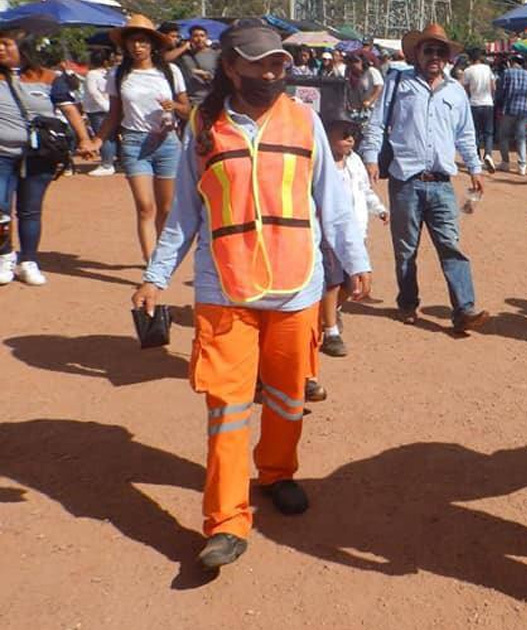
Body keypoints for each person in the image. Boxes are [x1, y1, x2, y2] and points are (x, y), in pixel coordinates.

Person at [130, 20, 371, 570]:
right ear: (231, 68)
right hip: (225, 291)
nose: (272, 72)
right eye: (260, 63)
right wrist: (156, 274)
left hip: (295, 289)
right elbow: (186, 213)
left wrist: (356, 261)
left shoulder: (305, 119)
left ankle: (278, 472)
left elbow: (331, 202)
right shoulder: (205, 124)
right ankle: (226, 523)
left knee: (288, 398)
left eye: (279, 63)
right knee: (227, 409)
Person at [361, 23, 490, 334]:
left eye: (440, 51)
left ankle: (464, 309)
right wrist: (370, 159)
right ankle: (407, 302)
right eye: (428, 50)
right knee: (406, 249)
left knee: (450, 245)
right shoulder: (397, 83)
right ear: (416, 54)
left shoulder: (456, 92)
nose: (434, 56)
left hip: (441, 182)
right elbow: (377, 124)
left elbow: (466, 134)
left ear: (447, 58)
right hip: (405, 180)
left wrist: (474, 167)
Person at [0, 29, 99, 286]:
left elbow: (70, 109)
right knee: (0, 208)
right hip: (2, 156)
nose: (0, 49)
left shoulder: (50, 78)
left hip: (40, 155)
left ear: (23, 49)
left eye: (5, 44)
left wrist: (85, 139)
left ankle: (28, 260)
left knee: (30, 210)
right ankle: (4, 255)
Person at [97, 14, 189, 264]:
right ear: (125, 45)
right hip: (134, 143)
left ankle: (161, 259)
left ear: (152, 44)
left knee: (167, 209)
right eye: (132, 41)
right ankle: (151, 264)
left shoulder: (170, 72)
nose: (137, 46)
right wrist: (96, 141)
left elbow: (187, 109)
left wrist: (175, 107)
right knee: (145, 207)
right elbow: (114, 114)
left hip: (168, 142)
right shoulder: (118, 75)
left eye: (142, 41)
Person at [317, 113, 387, 358]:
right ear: (327, 136)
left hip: (355, 231)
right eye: (343, 135)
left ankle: (327, 311)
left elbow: (365, 190)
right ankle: (331, 332)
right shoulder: (319, 162)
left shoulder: (355, 162)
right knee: (332, 281)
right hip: (327, 232)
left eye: (352, 136)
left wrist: (379, 209)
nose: (349, 140)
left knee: (350, 283)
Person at [494, 53, 527, 175]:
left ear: (512, 61)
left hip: (508, 109)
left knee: (504, 136)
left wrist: (498, 104)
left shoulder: (507, 73)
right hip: (523, 110)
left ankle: (505, 162)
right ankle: (522, 165)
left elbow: (501, 91)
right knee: (521, 138)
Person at [83, 48, 118, 176]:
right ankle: (114, 161)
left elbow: (93, 92)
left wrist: (106, 107)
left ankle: (107, 164)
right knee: (111, 137)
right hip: (108, 108)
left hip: (97, 110)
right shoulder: (110, 73)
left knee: (103, 136)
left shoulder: (92, 74)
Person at [462, 48, 496, 172]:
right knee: (488, 132)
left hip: (474, 104)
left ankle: (477, 158)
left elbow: (464, 88)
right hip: (488, 103)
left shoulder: (467, 71)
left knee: (474, 132)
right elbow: (493, 86)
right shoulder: (487, 69)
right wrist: (491, 98)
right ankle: (488, 154)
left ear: (470, 58)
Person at [177, 25, 219, 105]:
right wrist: (184, 47)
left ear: (206, 37)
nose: (199, 39)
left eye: (202, 36)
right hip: (191, 101)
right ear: (190, 38)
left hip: (211, 100)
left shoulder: (215, 55)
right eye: (195, 36)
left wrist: (209, 76)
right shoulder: (184, 55)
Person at [346, 52, 383, 120]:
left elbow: (379, 87)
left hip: (373, 108)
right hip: (364, 109)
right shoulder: (362, 76)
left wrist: (370, 101)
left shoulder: (372, 71)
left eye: (355, 63)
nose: (353, 66)